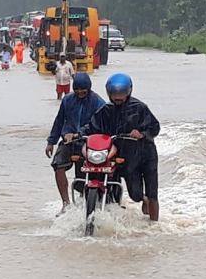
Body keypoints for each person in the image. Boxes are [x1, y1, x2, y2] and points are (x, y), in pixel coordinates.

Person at [83, 73, 161, 221]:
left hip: (146, 155)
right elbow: (91, 127)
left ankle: (155, 227)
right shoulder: (105, 110)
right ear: (109, 93)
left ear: (129, 92)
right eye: (114, 94)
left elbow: (155, 127)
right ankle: (138, 200)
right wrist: (77, 134)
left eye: (122, 94)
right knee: (135, 195)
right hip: (125, 156)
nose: (118, 97)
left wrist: (142, 134)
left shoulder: (140, 107)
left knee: (152, 193)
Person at [46, 73, 106, 215]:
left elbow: (99, 125)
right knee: (58, 165)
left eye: (83, 90)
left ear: (89, 88)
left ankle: (90, 199)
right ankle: (66, 203)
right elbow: (59, 121)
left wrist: (80, 134)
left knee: (82, 177)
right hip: (68, 141)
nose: (80, 92)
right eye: (77, 89)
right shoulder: (67, 100)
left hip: (88, 143)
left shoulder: (99, 103)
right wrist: (51, 141)